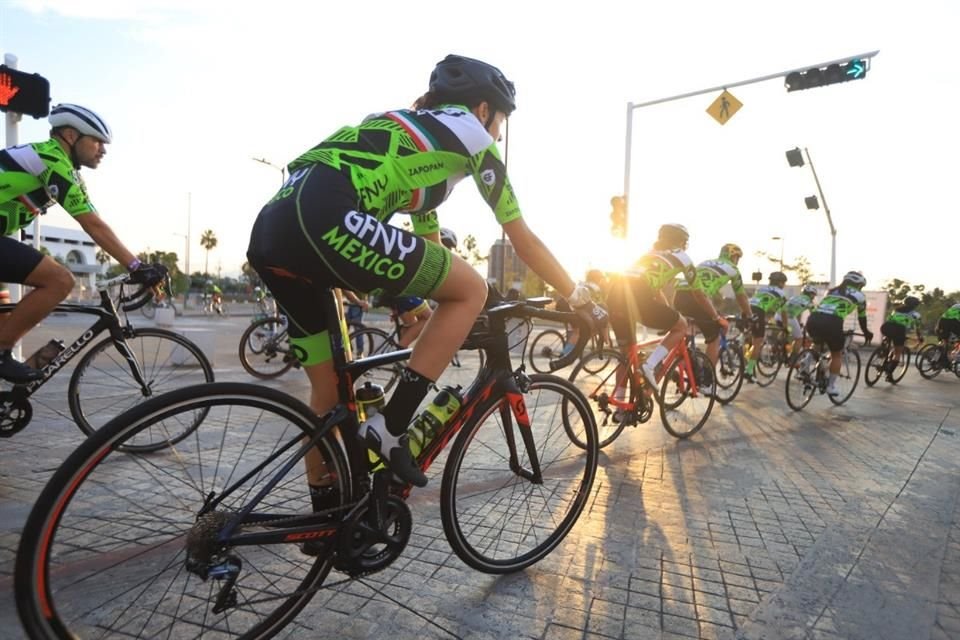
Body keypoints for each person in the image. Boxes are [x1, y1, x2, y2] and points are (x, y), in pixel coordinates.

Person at [246, 54, 605, 491]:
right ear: (484, 109)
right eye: (500, 125)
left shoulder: (409, 132)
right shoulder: (473, 137)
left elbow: (429, 260)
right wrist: (578, 296)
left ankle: (327, 518)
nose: (497, 135)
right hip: (324, 216)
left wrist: (417, 305)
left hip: (274, 225)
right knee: (472, 288)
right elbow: (521, 239)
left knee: (328, 396)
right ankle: (392, 426)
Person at [0, 103, 166, 383]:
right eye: (97, 141)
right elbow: (92, 224)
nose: (103, 149)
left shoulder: (64, 168)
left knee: (6, 317)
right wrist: (136, 266)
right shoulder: (51, 158)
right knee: (60, 281)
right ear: (70, 135)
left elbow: (96, 218)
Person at [605, 223, 701, 391]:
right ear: (680, 241)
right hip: (638, 296)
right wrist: (715, 317)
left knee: (626, 356)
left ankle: (620, 407)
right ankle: (649, 366)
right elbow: (699, 293)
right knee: (682, 325)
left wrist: (669, 312)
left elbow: (656, 292)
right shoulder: (682, 256)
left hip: (615, 295)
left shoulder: (647, 255)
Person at [674, 243, 751, 374]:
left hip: (679, 295)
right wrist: (749, 314)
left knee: (689, 327)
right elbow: (741, 296)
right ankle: (707, 378)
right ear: (733, 257)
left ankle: (684, 361)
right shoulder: (733, 269)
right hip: (698, 297)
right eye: (737, 258)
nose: (737, 261)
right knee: (715, 334)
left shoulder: (707, 262)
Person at [805, 270, 873, 397]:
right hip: (833, 322)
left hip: (814, 319)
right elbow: (862, 317)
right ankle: (831, 386)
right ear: (859, 285)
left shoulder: (831, 291)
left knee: (817, 346)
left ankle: (805, 365)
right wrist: (867, 333)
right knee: (837, 354)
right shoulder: (859, 295)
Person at [744, 271, 789, 382]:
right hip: (758, 312)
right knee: (758, 341)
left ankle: (741, 357)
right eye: (783, 283)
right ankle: (749, 370)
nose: (784, 285)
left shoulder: (762, 289)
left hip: (746, 308)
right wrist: (786, 327)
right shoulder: (781, 293)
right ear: (780, 283)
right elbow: (783, 312)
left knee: (747, 337)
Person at [879, 295, 922, 379]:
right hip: (899, 330)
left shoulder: (896, 310)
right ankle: (889, 373)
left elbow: (890, 319)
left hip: (886, 327)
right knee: (898, 353)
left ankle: (883, 348)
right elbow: (918, 328)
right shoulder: (916, 315)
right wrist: (920, 337)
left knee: (890, 336)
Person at [783, 284, 819, 357]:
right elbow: (815, 315)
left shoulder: (794, 297)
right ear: (810, 294)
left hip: (779, 315)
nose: (814, 297)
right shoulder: (809, 302)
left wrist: (798, 323)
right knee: (799, 338)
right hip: (789, 317)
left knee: (786, 331)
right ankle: (792, 359)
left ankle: (776, 348)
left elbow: (796, 312)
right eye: (813, 295)